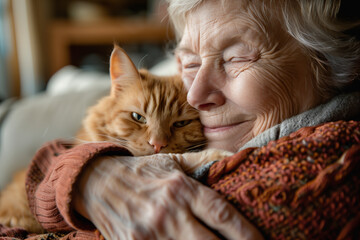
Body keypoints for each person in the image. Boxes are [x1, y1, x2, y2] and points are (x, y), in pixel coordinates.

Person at [20, 0, 360, 239]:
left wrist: (76, 178)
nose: (194, 96)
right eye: (191, 63)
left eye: (235, 58)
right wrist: (88, 174)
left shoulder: (317, 171)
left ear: (330, 64)